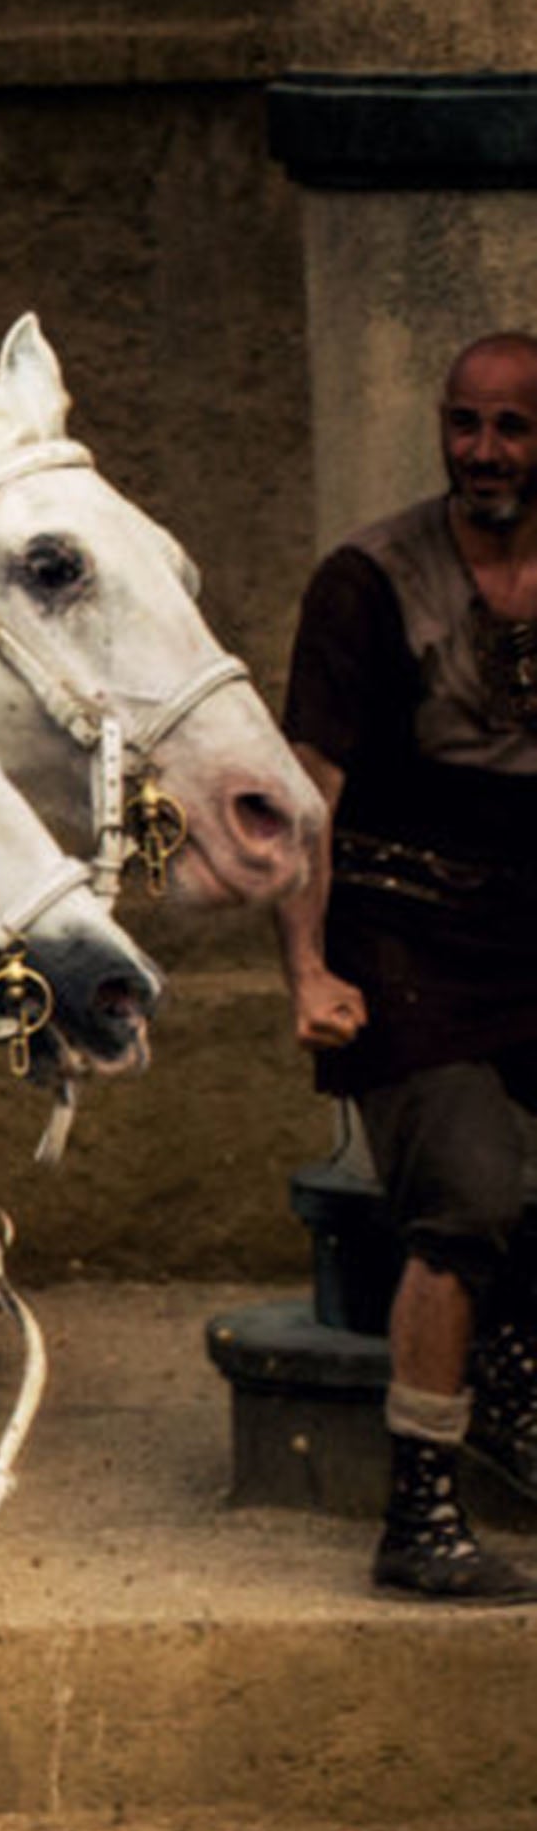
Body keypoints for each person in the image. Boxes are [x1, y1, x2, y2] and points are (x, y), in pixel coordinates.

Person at [274, 330, 537, 1599]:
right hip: (402, 937)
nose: (484, 450)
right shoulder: (368, 580)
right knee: (468, 1197)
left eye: (513, 427)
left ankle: (513, 1379)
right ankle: (418, 1511)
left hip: (528, 929)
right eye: (466, 423)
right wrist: (307, 972)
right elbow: (303, 801)